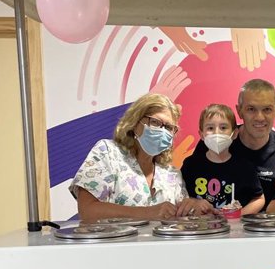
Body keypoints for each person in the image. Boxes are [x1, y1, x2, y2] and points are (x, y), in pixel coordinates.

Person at [70, 93, 214, 221]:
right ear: (134, 122)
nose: (162, 131)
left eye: (169, 128)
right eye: (155, 122)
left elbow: (181, 218)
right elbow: (87, 211)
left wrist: (194, 206)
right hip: (113, 248)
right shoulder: (108, 153)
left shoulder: (171, 174)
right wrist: (147, 213)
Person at [181, 104, 265, 214]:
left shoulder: (245, 167)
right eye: (210, 128)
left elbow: (258, 199)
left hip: (234, 228)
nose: (217, 133)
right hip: (199, 227)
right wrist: (194, 203)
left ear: (234, 134)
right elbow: (180, 196)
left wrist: (239, 215)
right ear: (201, 134)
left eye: (223, 128)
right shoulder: (191, 164)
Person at [231, 78, 275, 208]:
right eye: (251, 109)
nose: (260, 117)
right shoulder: (219, 144)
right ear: (239, 111)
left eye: (267, 109)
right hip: (224, 226)